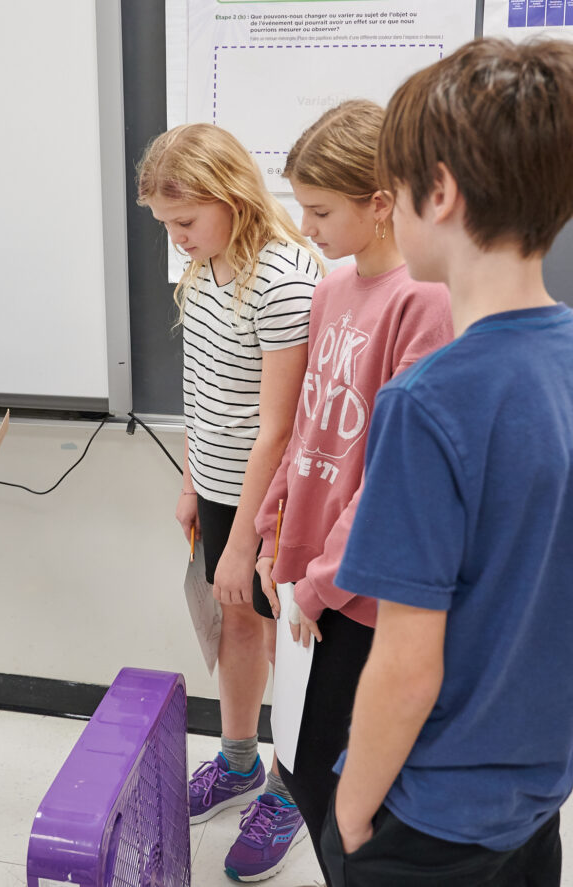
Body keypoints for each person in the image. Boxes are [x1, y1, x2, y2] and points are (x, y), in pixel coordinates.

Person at [319, 38, 573, 887]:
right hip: (537, 801)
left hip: (430, 816)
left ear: (441, 191)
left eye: (396, 192)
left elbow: (406, 661)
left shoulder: (428, 400)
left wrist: (351, 815)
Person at [252, 99, 453, 882]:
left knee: (339, 787)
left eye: (321, 209)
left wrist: (321, 585)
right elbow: (310, 426)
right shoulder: (333, 288)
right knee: (298, 759)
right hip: (303, 575)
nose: (305, 226)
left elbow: (389, 476)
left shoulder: (424, 300)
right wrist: (272, 523)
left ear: (380, 203)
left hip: (356, 590)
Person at [137, 123, 323, 881]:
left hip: (272, 505)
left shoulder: (283, 280)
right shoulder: (202, 269)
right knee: (236, 624)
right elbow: (200, 392)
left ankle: (289, 789)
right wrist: (190, 483)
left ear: (233, 195)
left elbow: (278, 429)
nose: (177, 238)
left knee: (295, 652)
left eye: (185, 221)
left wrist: (248, 538)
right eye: (166, 225)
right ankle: (240, 761)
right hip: (218, 490)